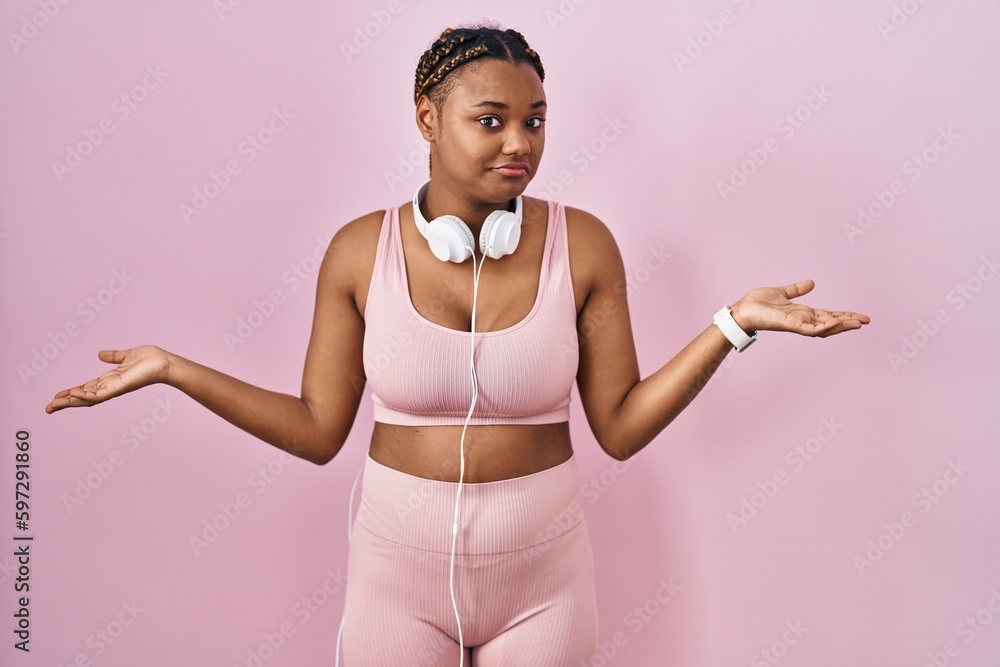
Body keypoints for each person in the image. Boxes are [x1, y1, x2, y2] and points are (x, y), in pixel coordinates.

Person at [45, 21, 870, 667]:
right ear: (427, 118)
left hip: (542, 582)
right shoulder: (357, 251)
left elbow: (617, 426)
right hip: (395, 579)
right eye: (492, 120)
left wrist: (733, 324)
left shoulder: (583, 246)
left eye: (535, 121)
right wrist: (172, 369)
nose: (521, 143)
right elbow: (316, 428)